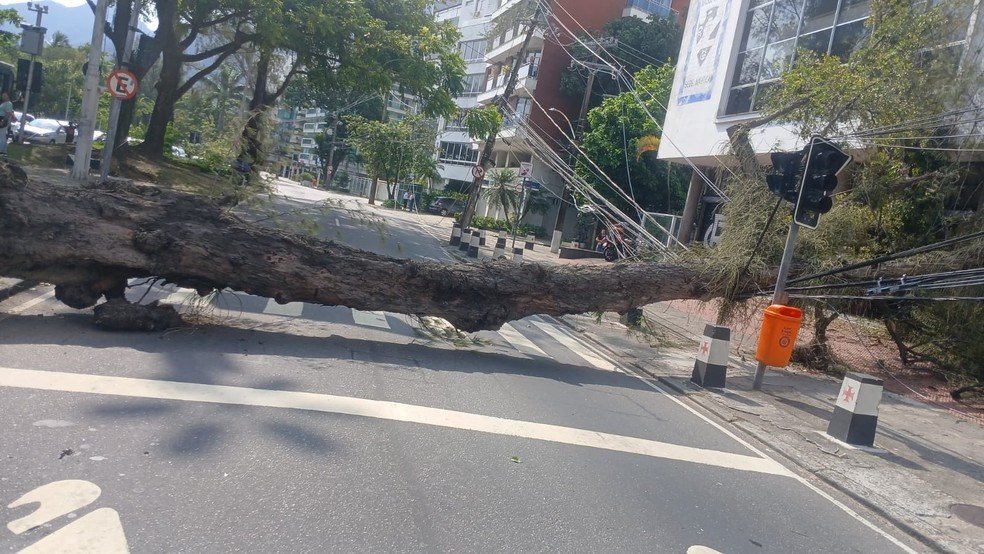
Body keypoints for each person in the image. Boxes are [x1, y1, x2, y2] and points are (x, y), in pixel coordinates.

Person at [0, 92, 15, 157]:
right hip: (1, 118)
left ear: (8, 96)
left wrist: (3, 121)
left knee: (2, 136)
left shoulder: (8, 104)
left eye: (5, 96)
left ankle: (1, 151)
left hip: (3, 119)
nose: (3, 97)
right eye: (2, 95)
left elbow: (8, 113)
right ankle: (4, 151)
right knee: (2, 136)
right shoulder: (3, 103)